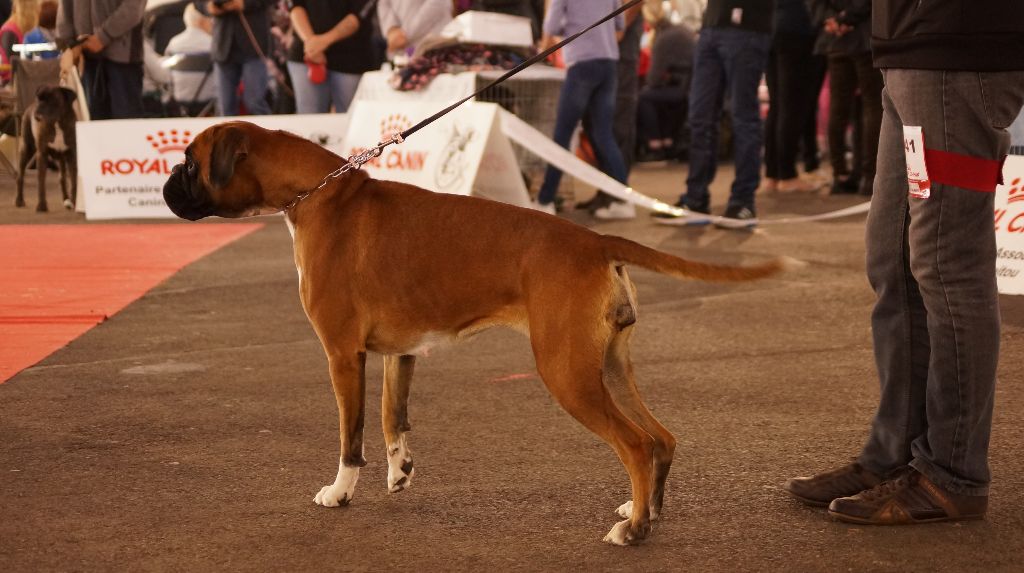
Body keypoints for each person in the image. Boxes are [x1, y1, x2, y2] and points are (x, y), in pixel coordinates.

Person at [785, 0, 1024, 525]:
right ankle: (894, 454)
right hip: (905, 46)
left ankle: (953, 472)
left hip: (958, 47)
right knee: (892, 260)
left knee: (948, 263)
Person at [658, 0, 774, 225]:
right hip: (711, 26)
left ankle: (743, 202)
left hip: (747, 27)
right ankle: (695, 200)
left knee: (743, 117)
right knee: (700, 118)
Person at [532, 0, 627, 216]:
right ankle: (623, 201)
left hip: (581, 64)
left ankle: (545, 200)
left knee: (562, 135)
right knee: (604, 135)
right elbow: (619, 26)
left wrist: (543, 46)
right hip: (609, 62)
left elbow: (551, 28)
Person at [807, 0, 880, 196]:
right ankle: (869, 177)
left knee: (839, 108)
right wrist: (845, 19)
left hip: (835, 39)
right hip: (865, 35)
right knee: (872, 106)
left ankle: (840, 175)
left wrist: (831, 21)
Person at [762, 0, 820, 193]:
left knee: (776, 106)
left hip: (772, 29)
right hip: (798, 30)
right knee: (792, 107)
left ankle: (772, 175)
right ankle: (787, 176)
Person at [57, 0, 146, 120]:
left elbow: (133, 7)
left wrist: (103, 36)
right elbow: (65, 8)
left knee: (126, 122)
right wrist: (68, 45)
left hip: (123, 59)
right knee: (94, 122)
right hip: (87, 58)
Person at [286, 0, 376, 114]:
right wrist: (311, 43)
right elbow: (295, 7)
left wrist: (322, 42)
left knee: (350, 116)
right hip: (306, 51)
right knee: (309, 117)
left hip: (350, 55)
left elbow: (357, 16)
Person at [635, 2, 696, 162]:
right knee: (656, 97)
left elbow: (653, 79)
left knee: (643, 97)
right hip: (690, 87)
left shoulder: (663, 39)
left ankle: (655, 144)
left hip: (682, 89)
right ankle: (668, 140)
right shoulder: (681, 30)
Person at [195, 0, 273, 117]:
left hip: (253, 44)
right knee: (225, 105)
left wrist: (246, 3)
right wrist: (208, 7)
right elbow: (198, 3)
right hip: (223, 46)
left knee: (254, 102)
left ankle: (265, 134)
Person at [164, 3, 215, 114]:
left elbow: (166, 76)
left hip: (179, 102)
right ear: (202, 21)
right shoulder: (212, 44)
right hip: (208, 104)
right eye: (209, 19)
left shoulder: (173, 44)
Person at [376, 0, 451, 60]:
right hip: (402, 52)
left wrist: (406, 33)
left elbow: (437, 4)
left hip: (434, 43)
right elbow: (384, 3)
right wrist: (391, 29)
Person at [0, 0, 37, 84]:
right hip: (14, 82)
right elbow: (11, 64)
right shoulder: (9, 30)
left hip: (26, 78)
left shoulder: (25, 28)